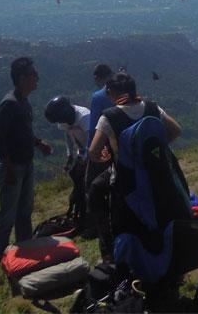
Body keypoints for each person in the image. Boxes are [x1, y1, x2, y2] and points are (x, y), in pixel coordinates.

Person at [87, 72, 183, 263]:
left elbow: (93, 151)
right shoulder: (152, 107)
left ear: (112, 93)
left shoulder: (109, 117)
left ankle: (107, 249)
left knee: (96, 190)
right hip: (157, 171)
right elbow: (175, 130)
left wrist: (105, 157)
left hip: (127, 177)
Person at [0, 57, 53, 262]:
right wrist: (8, 169)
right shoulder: (10, 104)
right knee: (8, 215)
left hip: (25, 164)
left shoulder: (23, 101)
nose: (37, 78)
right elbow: (0, 139)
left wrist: (38, 143)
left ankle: (25, 251)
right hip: (13, 166)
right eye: (34, 75)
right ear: (22, 78)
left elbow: (23, 132)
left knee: (24, 211)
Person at [83, 63, 114, 257]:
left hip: (103, 147)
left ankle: (95, 225)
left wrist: (90, 153)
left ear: (99, 78)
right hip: (122, 148)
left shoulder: (98, 97)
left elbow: (95, 126)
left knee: (91, 186)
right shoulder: (127, 92)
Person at [44, 96, 91, 221]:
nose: (61, 122)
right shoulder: (64, 121)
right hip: (82, 152)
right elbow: (68, 135)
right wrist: (70, 154)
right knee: (76, 178)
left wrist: (86, 161)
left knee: (87, 181)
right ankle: (82, 210)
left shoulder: (84, 117)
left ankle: (90, 213)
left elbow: (91, 141)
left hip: (94, 151)